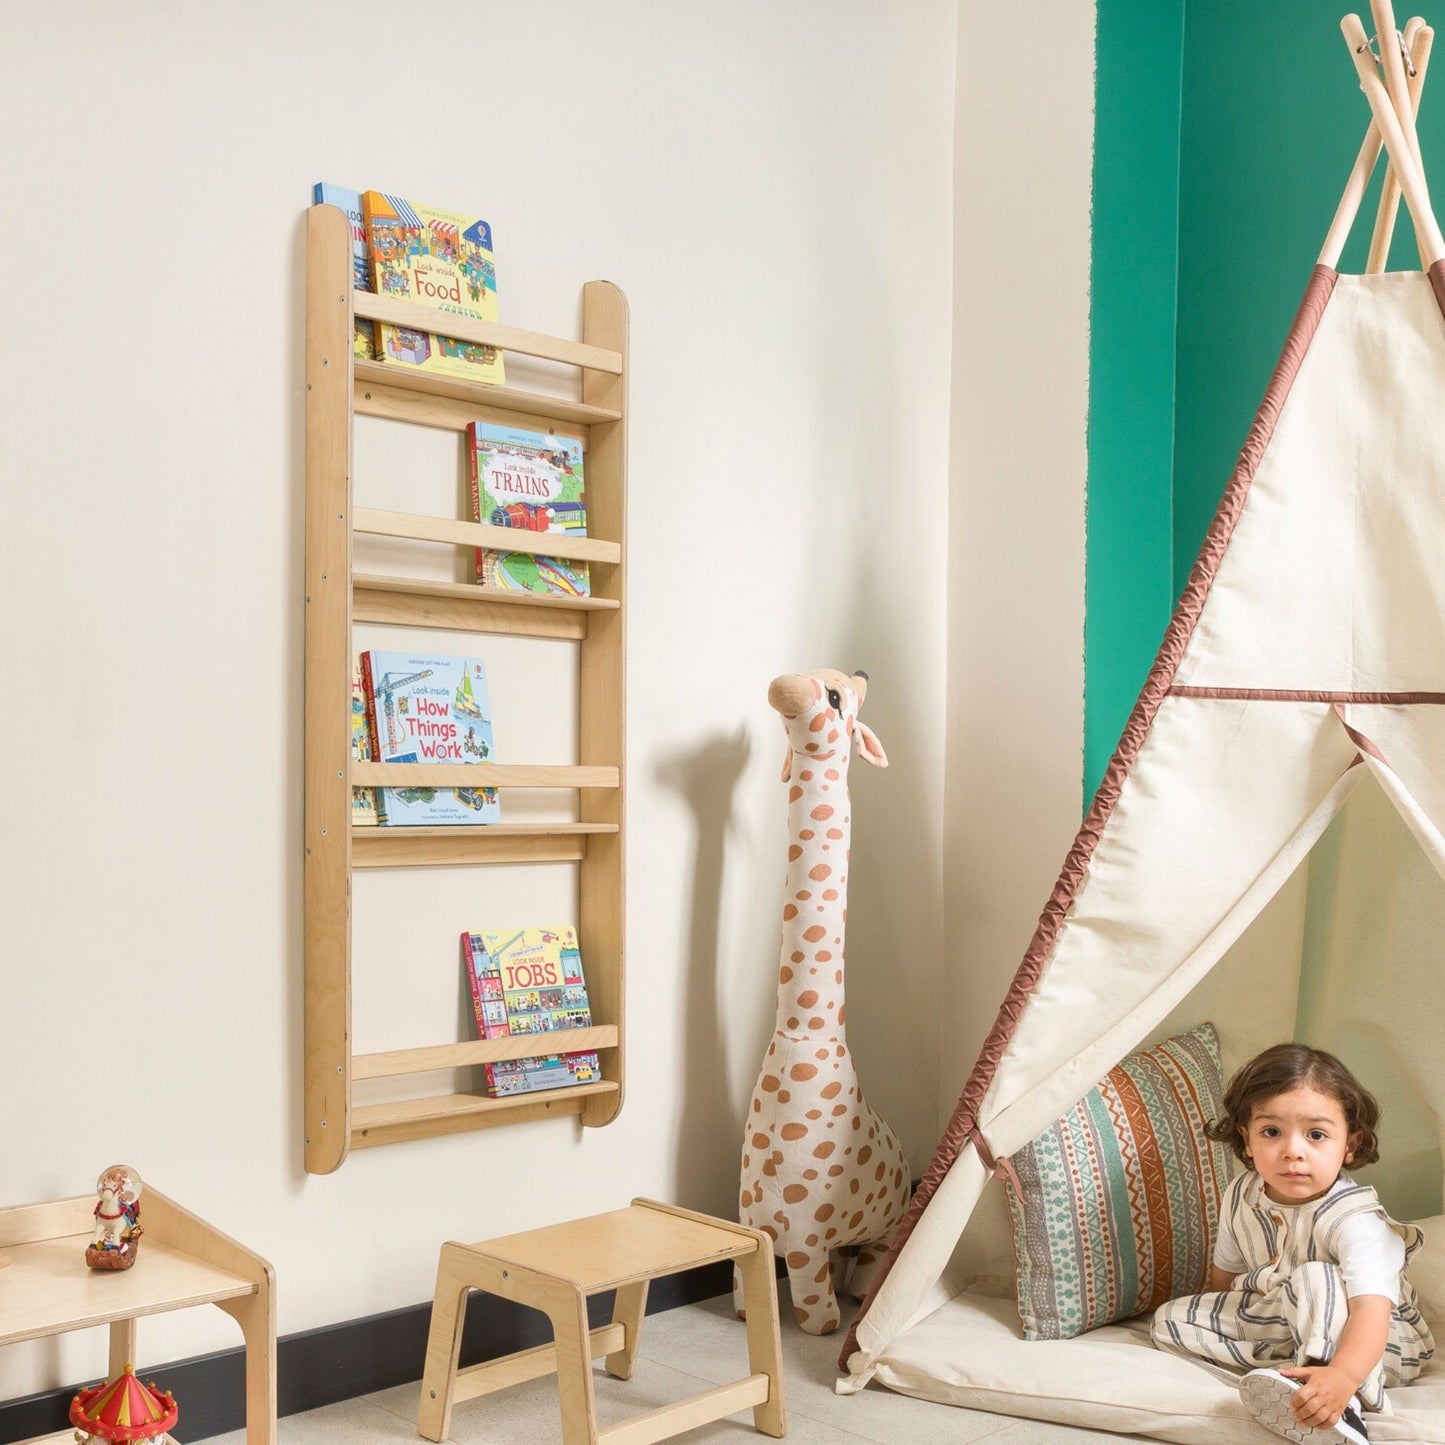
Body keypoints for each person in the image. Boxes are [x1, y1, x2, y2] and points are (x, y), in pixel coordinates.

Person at [1152, 1043, 1434, 1444]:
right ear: (1246, 1139)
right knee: (1169, 1319)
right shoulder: (1241, 1194)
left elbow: (1371, 1311)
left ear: (1349, 1145)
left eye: (1316, 1135)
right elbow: (1225, 1277)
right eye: (1271, 1132)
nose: (1292, 1152)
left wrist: (1343, 1374)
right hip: (1282, 1322)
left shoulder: (1355, 1220)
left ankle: (1341, 1402)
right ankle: (1281, 1379)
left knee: (1315, 1278)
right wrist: (1227, 1320)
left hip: (1376, 1340)